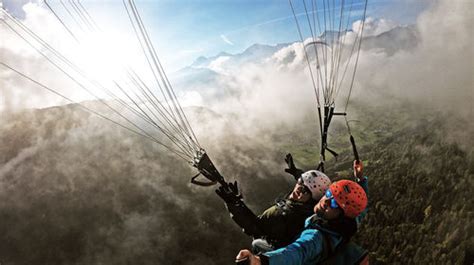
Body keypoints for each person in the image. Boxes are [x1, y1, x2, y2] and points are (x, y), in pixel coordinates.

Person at [235, 174, 369, 265]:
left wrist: (260, 261)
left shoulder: (317, 237)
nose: (326, 201)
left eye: (334, 204)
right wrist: (361, 180)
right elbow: (360, 213)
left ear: (342, 216)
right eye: (329, 194)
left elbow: (298, 252)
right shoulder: (347, 225)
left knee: (257, 244)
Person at [216, 154, 331, 251]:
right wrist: (298, 174)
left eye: (304, 190)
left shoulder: (287, 216)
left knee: (257, 243)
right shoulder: (310, 208)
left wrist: (234, 204)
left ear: (313, 198)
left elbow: (253, 227)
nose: (298, 190)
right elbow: (310, 186)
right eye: (300, 183)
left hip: (272, 249)